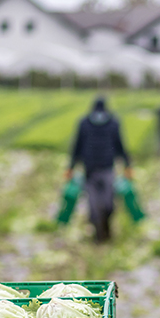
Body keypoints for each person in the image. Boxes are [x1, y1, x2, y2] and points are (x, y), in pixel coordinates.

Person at [66, 97, 133, 243]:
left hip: (107, 168)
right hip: (89, 170)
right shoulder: (84, 123)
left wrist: (127, 165)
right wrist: (70, 167)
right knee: (94, 205)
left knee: (109, 204)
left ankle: (107, 230)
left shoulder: (114, 123)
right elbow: (76, 146)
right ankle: (99, 236)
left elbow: (120, 144)